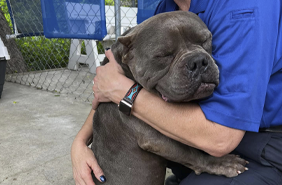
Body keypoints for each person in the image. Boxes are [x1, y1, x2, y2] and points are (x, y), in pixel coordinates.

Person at [71, 0, 282, 184]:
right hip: (201, 138)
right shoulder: (167, 7)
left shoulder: (246, 5)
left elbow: (221, 139)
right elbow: (110, 83)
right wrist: (80, 142)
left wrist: (127, 93)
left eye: (202, 42)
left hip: (262, 144)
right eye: (165, 55)